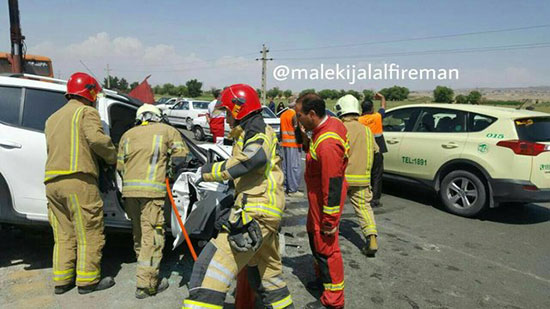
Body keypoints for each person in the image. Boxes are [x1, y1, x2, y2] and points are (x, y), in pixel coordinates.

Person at [182, 84, 293, 309]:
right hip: (266, 215)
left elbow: (254, 160)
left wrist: (206, 172)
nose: (226, 118)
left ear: (238, 109)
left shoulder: (257, 131)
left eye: (228, 112)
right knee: (269, 278)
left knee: (208, 273)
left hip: (255, 213)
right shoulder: (253, 129)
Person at [44, 72, 117, 295]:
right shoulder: (86, 112)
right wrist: (113, 157)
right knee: (89, 232)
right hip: (78, 180)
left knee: (64, 235)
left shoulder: (52, 118)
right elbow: (96, 140)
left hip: (52, 183)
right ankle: (88, 281)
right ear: (91, 92)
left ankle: (62, 281)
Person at [116, 104, 189, 299]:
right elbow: (181, 158)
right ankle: (146, 285)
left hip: (130, 193)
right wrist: (169, 172)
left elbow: (120, 166)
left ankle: (143, 272)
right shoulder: (168, 131)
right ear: (158, 116)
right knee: (153, 237)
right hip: (153, 193)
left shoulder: (127, 135)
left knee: (139, 235)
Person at [296, 93, 348, 309]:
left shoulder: (327, 143)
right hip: (316, 199)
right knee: (314, 239)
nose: (297, 119)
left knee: (327, 248)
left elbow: (332, 185)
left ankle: (334, 300)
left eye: (300, 115)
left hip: (324, 203)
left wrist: (329, 220)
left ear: (312, 114)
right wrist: (307, 139)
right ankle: (323, 281)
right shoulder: (327, 126)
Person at [335, 95, 379, 257]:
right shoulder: (366, 130)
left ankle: (330, 241)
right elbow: (376, 150)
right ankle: (371, 237)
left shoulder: (338, 127)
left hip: (342, 177)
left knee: (333, 210)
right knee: (364, 208)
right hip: (362, 178)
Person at [358, 93, 387, 208]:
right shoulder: (378, 116)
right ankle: (375, 199)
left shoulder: (359, 120)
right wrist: (382, 98)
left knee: (365, 174)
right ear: (372, 108)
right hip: (377, 150)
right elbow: (383, 107)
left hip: (364, 150)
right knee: (377, 175)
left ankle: (364, 196)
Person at [280, 100, 302, 197]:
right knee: (294, 167)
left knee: (285, 167)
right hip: (294, 144)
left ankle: (285, 187)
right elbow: (297, 130)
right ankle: (293, 190)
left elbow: (281, 131)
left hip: (284, 144)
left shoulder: (283, 115)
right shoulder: (295, 115)